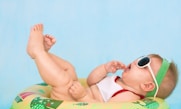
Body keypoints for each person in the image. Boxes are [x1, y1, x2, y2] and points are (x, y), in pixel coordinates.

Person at [27, 24, 178, 103]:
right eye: (141, 57)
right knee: (69, 68)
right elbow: (91, 81)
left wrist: (82, 97)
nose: (137, 60)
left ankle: (37, 52)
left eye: (143, 63)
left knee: (64, 81)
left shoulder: (127, 97)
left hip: (74, 102)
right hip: (79, 93)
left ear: (147, 86)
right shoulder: (118, 80)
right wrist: (105, 69)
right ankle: (45, 53)